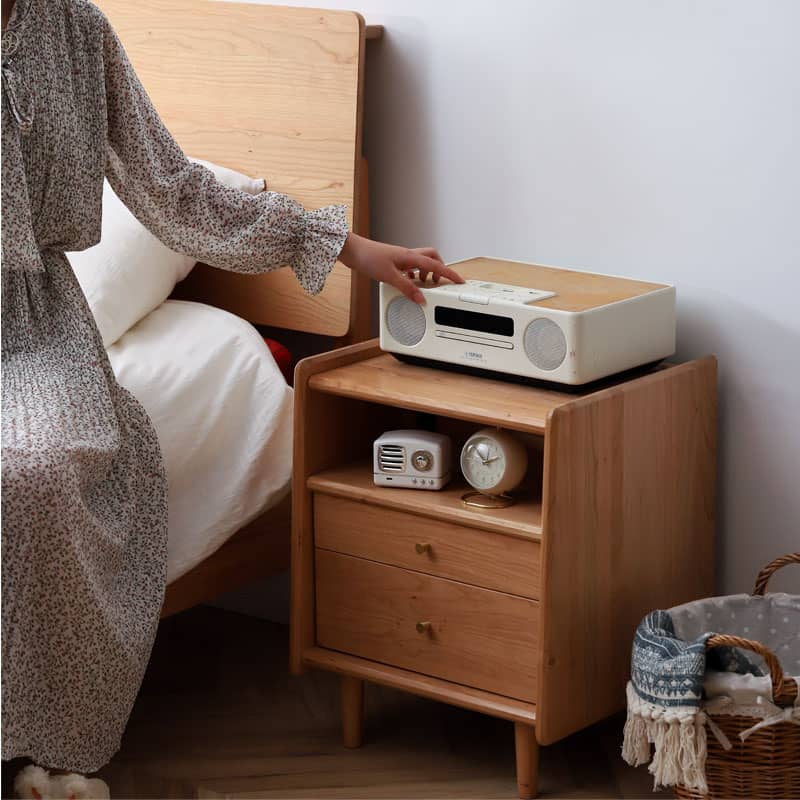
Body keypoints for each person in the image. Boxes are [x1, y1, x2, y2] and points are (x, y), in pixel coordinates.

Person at [0, 0, 464, 795]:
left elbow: (176, 190)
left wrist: (343, 246)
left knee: (32, 470)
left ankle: (20, 748)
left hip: (33, 327)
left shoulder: (76, 30)